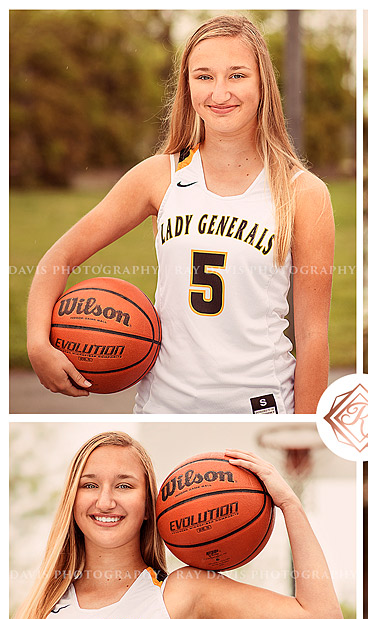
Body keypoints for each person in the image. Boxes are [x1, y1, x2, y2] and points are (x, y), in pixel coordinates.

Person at [26, 14, 333, 414]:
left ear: (262, 84)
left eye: (237, 75)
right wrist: (37, 344)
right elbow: (58, 258)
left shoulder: (303, 193)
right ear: (187, 87)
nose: (220, 92)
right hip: (163, 409)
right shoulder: (160, 176)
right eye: (203, 76)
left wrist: (303, 431)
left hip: (260, 408)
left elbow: (312, 335)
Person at [10, 431, 343, 619]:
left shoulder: (184, 592)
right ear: (72, 498)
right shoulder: (39, 607)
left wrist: (289, 504)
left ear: (148, 506)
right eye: (90, 485)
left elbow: (321, 616)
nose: (106, 501)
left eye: (124, 485)